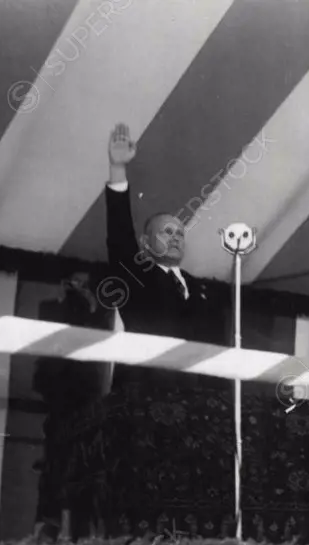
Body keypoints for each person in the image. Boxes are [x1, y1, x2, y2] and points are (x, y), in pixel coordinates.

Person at [105, 123, 226, 386]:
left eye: (179, 234)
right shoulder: (135, 277)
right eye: (167, 232)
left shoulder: (201, 288)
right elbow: (119, 235)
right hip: (141, 395)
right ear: (145, 243)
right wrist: (117, 169)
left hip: (193, 404)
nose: (175, 238)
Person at [32, 272, 114, 540]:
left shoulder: (98, 314)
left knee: (82, 470)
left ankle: (73, 530)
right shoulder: (52, 309)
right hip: (63, 395)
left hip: (84, 397)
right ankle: (51, 525)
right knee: (58, 465)